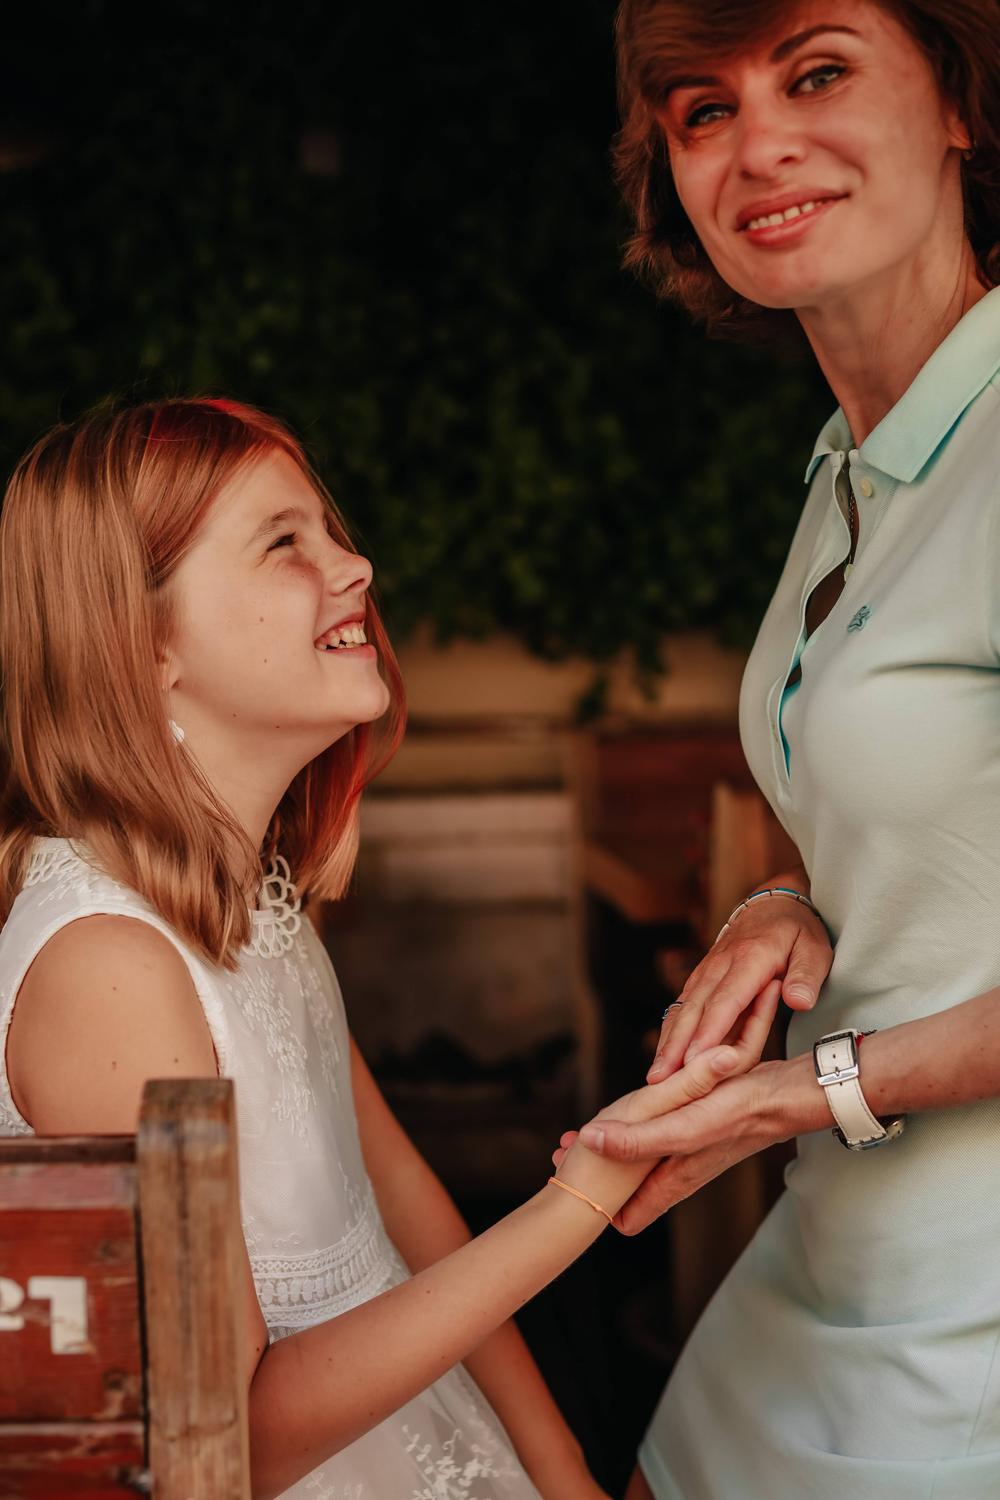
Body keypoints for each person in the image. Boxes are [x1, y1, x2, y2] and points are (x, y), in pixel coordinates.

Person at [0, 397, 776, 1498]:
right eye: (285, 544)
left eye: (331, 530)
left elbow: (402, 1202)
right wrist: (583, 1200)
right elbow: (228, 1442)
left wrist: (564, 1481)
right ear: (145, 645)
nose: (357, 566)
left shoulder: (256, 901)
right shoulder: (109, 967)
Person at [552, 1, 1000, 1495]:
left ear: (959, 100)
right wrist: (781, 904)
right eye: (700, 110)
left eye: (815, 72)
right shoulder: (848, 466)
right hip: (832, 1263)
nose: (760, 143)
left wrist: (802, 1093)